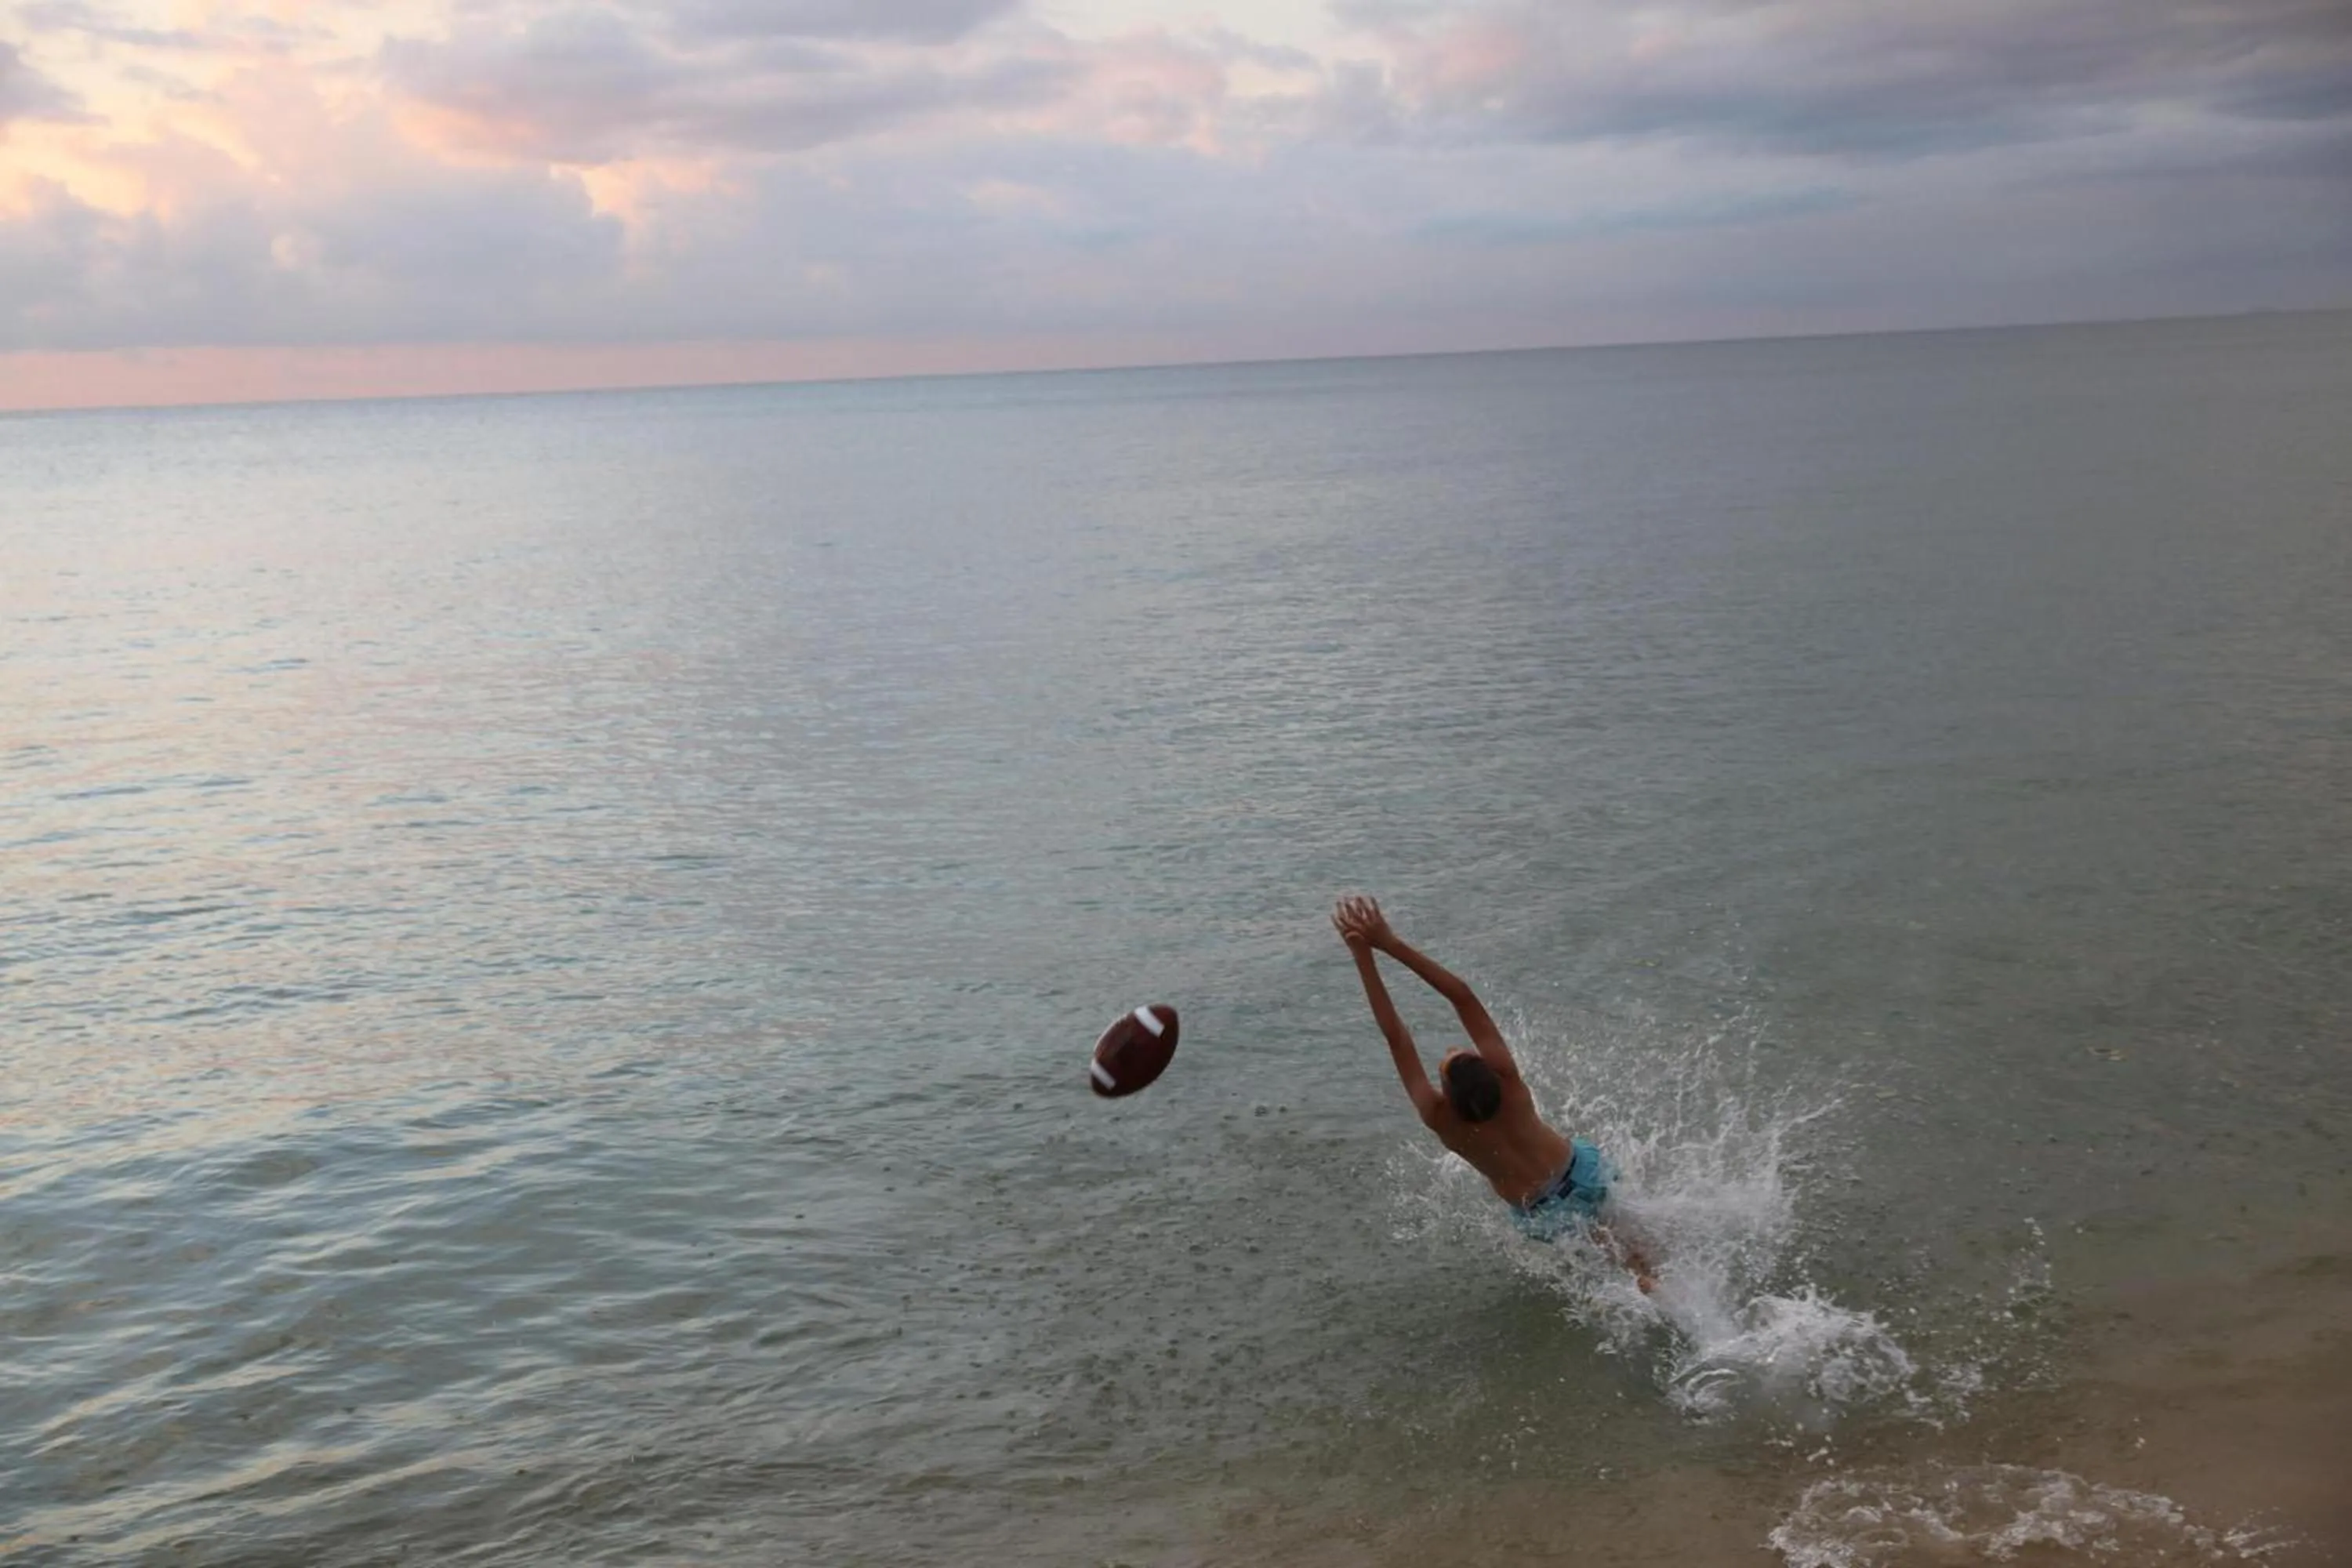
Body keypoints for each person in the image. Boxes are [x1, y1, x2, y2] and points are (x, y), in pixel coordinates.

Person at [1333, 895, 1655, 1291]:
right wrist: (1390, 943)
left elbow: (1396, 1037)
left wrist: (1361, 955)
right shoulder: (1509, 1081)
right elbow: (1462, 997)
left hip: (1542, 1213)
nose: (1451, 1049)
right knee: (1627, 1237)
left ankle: (1635, 1277)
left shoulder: (1440, 1118)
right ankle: (1650, 1271)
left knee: (1596, 1251)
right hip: (1583, 1172)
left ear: (1447, 1095)